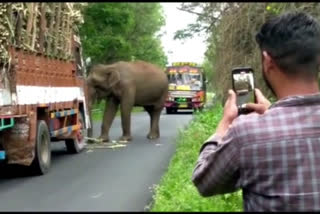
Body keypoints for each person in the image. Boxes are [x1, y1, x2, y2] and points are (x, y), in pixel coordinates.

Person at [192, 12, 320, 212]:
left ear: (268, 61)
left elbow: (204, 182)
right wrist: (273, 113)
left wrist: (224, 125)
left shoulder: (247, 133)